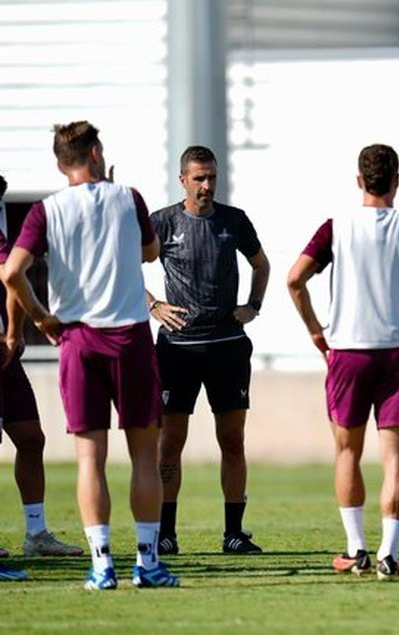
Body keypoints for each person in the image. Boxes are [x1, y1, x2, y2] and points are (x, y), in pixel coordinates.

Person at [1, 121, 179, 589]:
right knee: (143, 455)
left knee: (89, 459)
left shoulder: (45, 210)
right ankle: (147, 563)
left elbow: (12, 272)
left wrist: (40, 317)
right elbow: (151, 251)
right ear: (97, 152)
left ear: (61, 163)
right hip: (129, 337)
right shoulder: (129, 198)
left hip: (77, 341)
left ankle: (102, 566)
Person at [287, 144, 399, 579]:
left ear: (358, 181)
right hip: (396, 352)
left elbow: (294, 279)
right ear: (397, 180)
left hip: (347, 350)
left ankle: (356, 548)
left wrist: (315, 328)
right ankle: (390, 553)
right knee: (395, 457)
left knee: (348, 450)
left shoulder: (337, 227)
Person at [145, 145, 270, 556]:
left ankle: (234, 533)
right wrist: (153, 306)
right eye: (199, 178)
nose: (206, 185)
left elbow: (261, 264)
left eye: (212, 177)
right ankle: (166, 533)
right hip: (177, 349)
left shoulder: (233, 220)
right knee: (170, 443)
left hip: (228, 347)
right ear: (182, 179)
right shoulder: (162, 222)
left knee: (232, 440)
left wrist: (253, 307)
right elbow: (126, 266)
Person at [0, 174, 84, 562]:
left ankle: (36, 534)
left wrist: (14, 334)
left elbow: (10, 279)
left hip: (3, 355)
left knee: (31, 439)